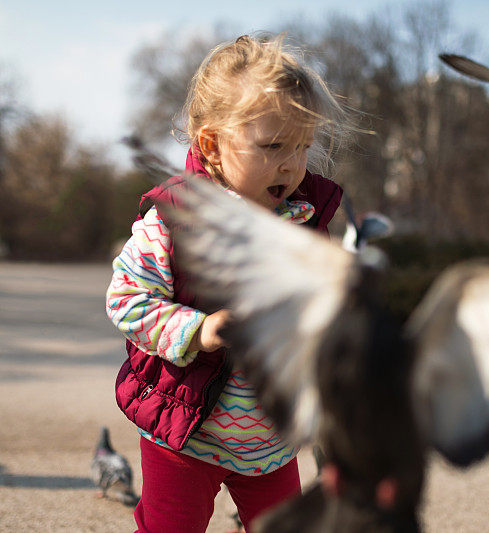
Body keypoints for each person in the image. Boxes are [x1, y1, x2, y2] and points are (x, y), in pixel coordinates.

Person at [106, 33, 355, 532]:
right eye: (273, 145)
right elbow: (127, 301)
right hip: (183, 435)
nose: (292, 163)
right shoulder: (173, 222)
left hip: (271, 447)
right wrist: (197, 330)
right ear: (211, 145)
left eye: (303, 146)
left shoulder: (306, 224)